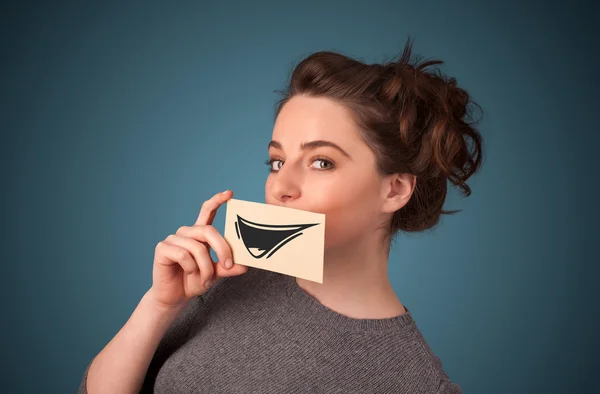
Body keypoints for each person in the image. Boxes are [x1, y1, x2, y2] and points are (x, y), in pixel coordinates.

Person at [78, 37, 483, 394]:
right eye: (277, 161)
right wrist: (160, 305)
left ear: (394, 189)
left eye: (321, 162)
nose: (280, 186)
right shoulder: (231, 280)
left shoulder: (413, 382)